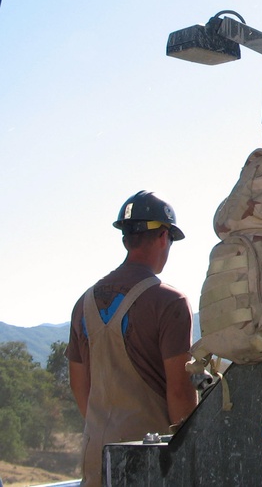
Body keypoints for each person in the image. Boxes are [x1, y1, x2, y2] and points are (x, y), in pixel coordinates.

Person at [66, 190, 198, 486]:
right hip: (150, 461)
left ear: (126, 238)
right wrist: (190, 458)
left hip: (96, 456)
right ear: (164, 237)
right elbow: (180, 394)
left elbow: (79, 385)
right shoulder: (170, 302)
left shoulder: (83, 303)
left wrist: (106, 429)